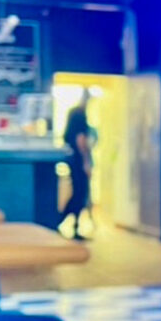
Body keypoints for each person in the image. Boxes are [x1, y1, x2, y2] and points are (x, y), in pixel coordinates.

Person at [59, 103, 92, 240]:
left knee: (76, 194)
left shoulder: (70, 130)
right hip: (79, 162)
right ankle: (64, 222)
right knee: (80, 194)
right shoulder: (81, 122)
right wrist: (86, 162)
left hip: (73, 161)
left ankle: (61, 221)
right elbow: (81, 141)